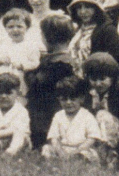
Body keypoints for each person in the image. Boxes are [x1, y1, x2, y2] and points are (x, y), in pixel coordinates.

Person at [24, 14, 79, 148]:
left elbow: (36, 83)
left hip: (46, 114)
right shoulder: (67, 59)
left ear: (48, 37)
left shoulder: (58, 63)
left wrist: (28, 71)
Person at [41, 76, 110, 163]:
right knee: (46, 148)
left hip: (82, 148)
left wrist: (76, 151)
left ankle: (77, 161)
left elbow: (92, 138)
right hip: (63, 148)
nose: (68, 102)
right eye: (64, 99)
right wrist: (60, 151)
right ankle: (55, 163)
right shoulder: (58, 116)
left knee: (87, 154)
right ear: (59, 99)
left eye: (73, 99)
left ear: (81, 99)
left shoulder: (87, 116)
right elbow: (53, 137)